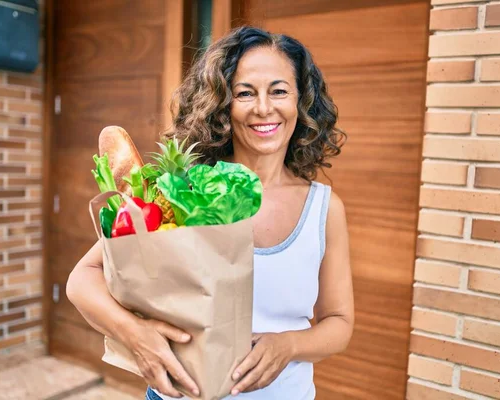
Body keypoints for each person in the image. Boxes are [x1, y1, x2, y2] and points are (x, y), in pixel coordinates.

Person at [66, 26, 354, 400]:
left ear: (301, 101)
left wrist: (288, 346)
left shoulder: (324, 208)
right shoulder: (182, 192)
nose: (264, 108)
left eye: (279, 91)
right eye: (245, 93)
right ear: (223, 105)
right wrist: (136, 335)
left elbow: (339, 323)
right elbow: (82, 279)